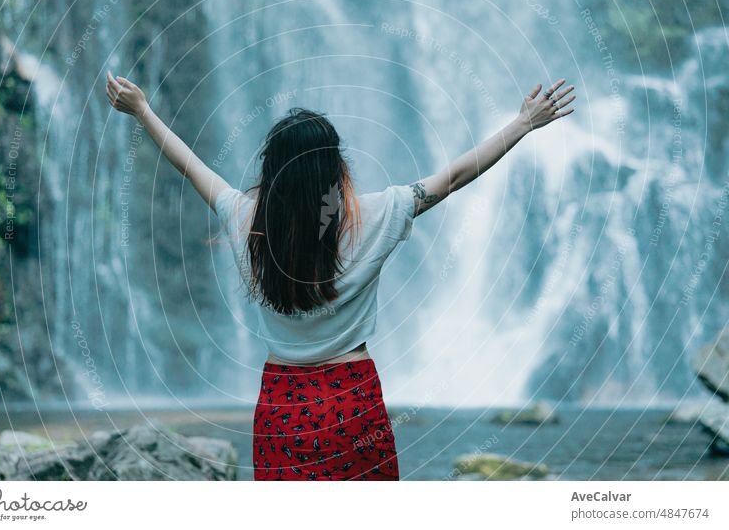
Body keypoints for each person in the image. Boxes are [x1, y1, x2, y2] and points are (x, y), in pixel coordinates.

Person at [105, 71, 575, 480]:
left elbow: (191, 167)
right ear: (336, 169)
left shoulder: (246, 220)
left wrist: (143, 111)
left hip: (281, 407)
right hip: (352, 398)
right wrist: (523, 124)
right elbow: (454, 177)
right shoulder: (376, 216)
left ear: (272, 170)